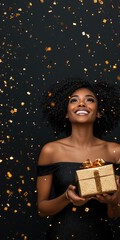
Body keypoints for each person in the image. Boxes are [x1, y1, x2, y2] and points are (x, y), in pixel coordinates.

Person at [36, 78, 120, 240]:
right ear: (66, 112)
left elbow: (114, 215)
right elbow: (42, 209)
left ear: (99, 112)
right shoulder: (51, 150)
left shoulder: (115, 151)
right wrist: (67, 197)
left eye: (89, 100)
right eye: (74, 100)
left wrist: (113, 201)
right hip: (60, 235)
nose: (82, 104)